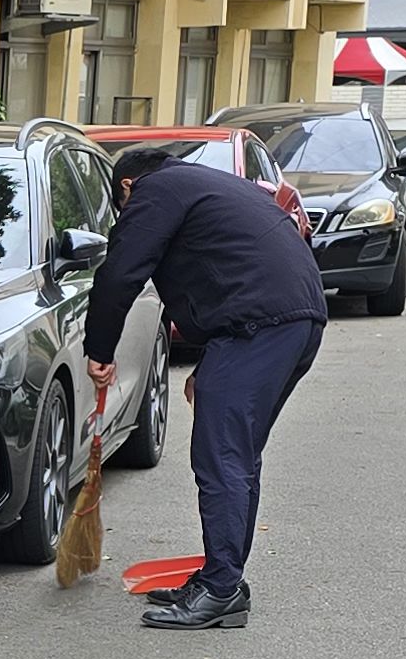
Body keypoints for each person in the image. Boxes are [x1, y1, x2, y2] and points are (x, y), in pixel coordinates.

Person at [84, 137, 330, 632]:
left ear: (127, 186)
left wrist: (100, 351)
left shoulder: (155, 191)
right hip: (289, 322)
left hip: (261, 327)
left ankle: (221, 590)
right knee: (237, 454)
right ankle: (222, 578)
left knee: (223, 457)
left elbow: (119, 274)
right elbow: (222, 272)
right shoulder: (210, 185)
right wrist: (208, 365)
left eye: (122, 206)